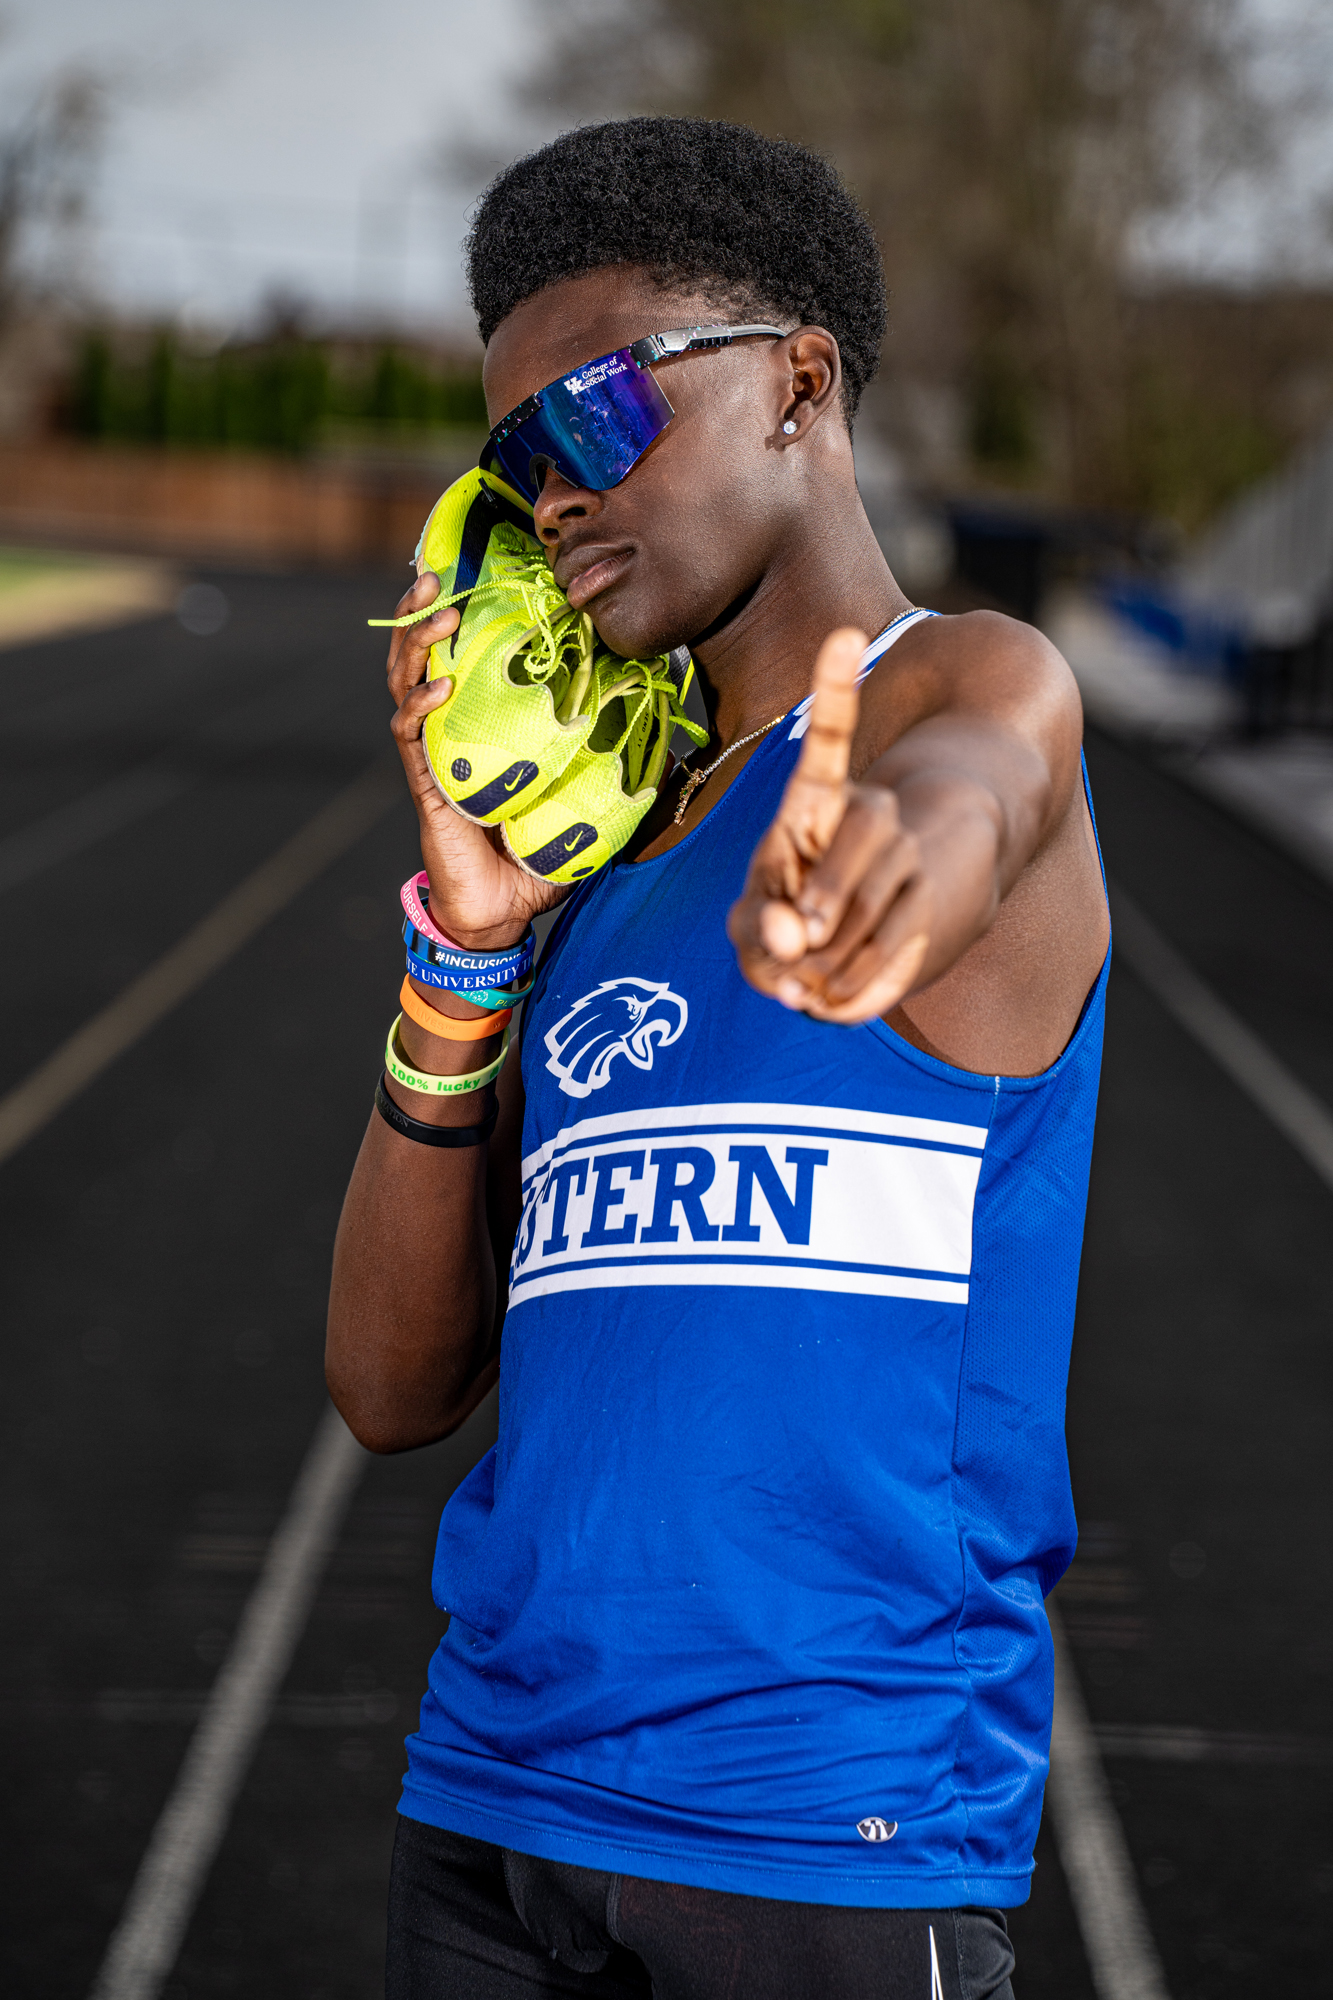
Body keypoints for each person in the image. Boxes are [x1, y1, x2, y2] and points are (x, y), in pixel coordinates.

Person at [326, 117, 1110, 2000]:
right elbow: (387, 1386)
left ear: (797, 385)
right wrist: (468, 959)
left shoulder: (958, 685)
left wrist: (912, 850)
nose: (551, 498)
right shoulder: (599, 861)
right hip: (490, 1816)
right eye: (511, 462)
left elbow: (990, 752)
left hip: (820, 1845)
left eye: (591, 418)